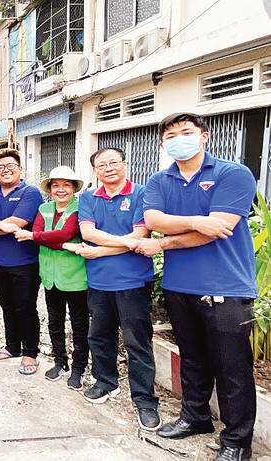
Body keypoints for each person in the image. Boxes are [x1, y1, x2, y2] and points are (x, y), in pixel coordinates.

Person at [140, 113, 257, 461]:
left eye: (187, 132)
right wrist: (196, 221)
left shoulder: (231, 174)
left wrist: (163, 243)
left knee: (232, 367)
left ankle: (237, 441)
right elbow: (153, 221)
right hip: (179, 285)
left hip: (225, 285)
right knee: (192, 358)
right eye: (171, 135)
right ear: (163, 145)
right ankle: (195, 417)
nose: (180, 138)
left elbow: (220, 228)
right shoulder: (160, 180)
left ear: (204, 137)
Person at [70, 147, 159, 431]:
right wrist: (122, 244)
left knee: (137, 342)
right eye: (101, 165)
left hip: (132, 281)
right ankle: (106, 382)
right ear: (95, 170)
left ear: (125, 165)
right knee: (100, 336)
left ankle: (145, 400)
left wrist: (99, 252)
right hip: (98, 282)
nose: (108, 168)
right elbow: (88, 233)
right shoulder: (87, 197)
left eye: (114, 162)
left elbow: (140, 234)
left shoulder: (141, 193)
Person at [15, 166, 88, 388]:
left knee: (79, 324)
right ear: (50, 189)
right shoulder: (44, 208)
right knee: (55, 321)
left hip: (75, 276)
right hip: (50, 276)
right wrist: (48, 240)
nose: (61, 190)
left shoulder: (80, 207)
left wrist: (36, 236)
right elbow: (40, 237)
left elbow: (67, 233)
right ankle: (60, 361)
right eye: (56, 185)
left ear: (74, 188)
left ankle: (79, 368)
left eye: (66, 185)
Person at [0, 148, 43, 373]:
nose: (6, 171)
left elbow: (20, 221)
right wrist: (3, 226)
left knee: (26, 308)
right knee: (7, 307)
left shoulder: (30, 192)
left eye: (11, 166)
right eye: (1, 168)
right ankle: (13, 346)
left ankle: (30, 352)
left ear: (20, 169)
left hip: (25, 262)